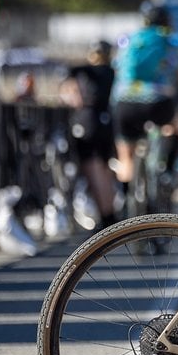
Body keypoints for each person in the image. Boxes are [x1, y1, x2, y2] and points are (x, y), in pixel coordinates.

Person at [110, 0, 178, 207]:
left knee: (126, 153)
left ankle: (124, 198)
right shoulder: (170, 40)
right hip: (157, 99)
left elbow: (118, 71)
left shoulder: (128, 40)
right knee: (176, 129)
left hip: (124, 101)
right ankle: (167, 173)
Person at [60, 40, 119, 229]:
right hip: (106, 122)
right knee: (104, 170)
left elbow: (68, 76)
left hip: (89, 123)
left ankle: (106, 218)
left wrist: (73, 96)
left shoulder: (89, 72)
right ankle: (110, 215)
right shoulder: (111, 72)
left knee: (94, 171)